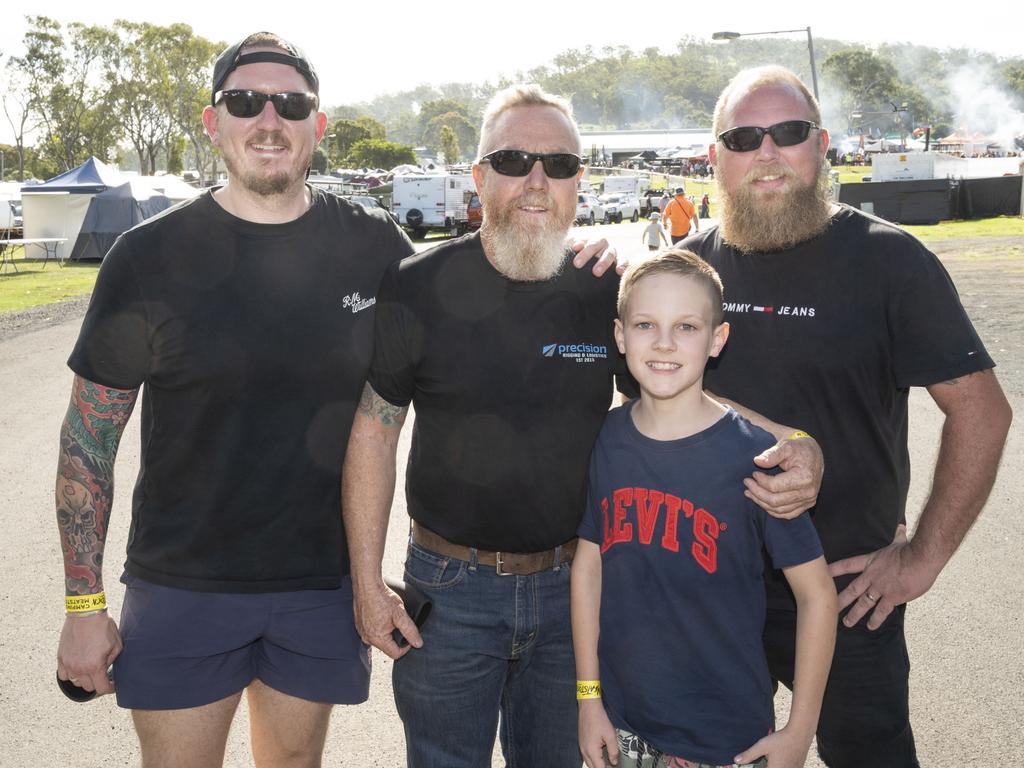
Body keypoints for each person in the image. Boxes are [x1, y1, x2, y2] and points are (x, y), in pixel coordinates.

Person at [51, 33, 620, 767]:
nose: (268, 120)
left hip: (318, 587)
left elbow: (483, 300)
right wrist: (81, 607)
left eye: (291, 104)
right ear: (211, 120)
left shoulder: (371, 244)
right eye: (245, 102)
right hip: (183, 582)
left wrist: (601, 262)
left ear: (316, 125)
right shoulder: (147, 257)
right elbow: (86, 441)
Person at [342, 83, 823, 768]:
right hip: (448, 596)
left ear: (578, 182)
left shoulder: (604, 287)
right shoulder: (417, 285)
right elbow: (374, 430)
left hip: (574, 592)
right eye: (513, 161)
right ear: (478, 178)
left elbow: (678, 393)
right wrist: (366, 582)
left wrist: (795, 442)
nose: (538, 182)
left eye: (561, 165)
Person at [682, 65, 1013, 768]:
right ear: (716, 158)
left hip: (848, 594)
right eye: (743, 138)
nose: (766, 153)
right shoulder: (687, 271)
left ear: (821, 144)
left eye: (788, 133)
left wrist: (922, 558)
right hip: (709, 590)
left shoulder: (891, 262)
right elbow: (642, 396)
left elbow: (981, 411)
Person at [573, 249, 837, 768]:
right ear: (621, 335)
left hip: (728, 738)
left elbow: (818, 598)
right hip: (624, 725)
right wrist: (589, 700)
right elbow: (588, 568)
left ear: (717, 339)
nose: (665, 343)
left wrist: (799, 731)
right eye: (645, 324)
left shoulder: (755, 456)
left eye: (687, 327)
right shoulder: (605, 439)